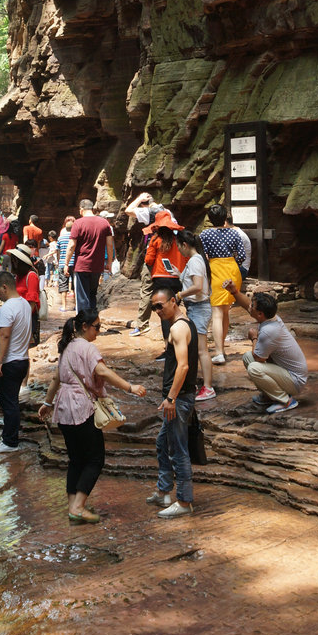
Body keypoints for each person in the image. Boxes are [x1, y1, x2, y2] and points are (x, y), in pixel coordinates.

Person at [38, 311, 146, 522]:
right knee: (95, 459)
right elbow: (103, 372)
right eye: (97, 327)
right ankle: (78, 506)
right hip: (81, 407)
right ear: (85, 326)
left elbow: (56, 378)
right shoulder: (87, 348)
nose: (99, 331)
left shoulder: (67, 347)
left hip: (64, 408)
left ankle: (73, 507)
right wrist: (130, 387)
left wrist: (47, 403)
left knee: (76, 459)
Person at [147, 279, 197, 517]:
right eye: (154, 307)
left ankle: (184, 502)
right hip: (178, 397)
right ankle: (164, 490)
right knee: (162, 443)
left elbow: (184, 366)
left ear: (173, 301)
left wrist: (171, 398)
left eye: (160, 306)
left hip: (179, 398)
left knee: (178, 449)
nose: (157, 311)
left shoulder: (178, 328)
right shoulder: (184, 323)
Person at [224, 282, 308, 413]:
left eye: (253, 306)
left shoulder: (269, 330)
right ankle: (270, 395)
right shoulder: (271, 317)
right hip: (287, 373)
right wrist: (235, 292)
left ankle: (285, 401)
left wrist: (254, 338)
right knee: (247, 357)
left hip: (295, 380)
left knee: (254, 367)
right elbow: (247, 306)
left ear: (260, 314)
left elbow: (259, 358)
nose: (249, 306)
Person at [0, 271, 32, 454]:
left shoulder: (7, 308)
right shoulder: (24, 305)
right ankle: (10, 436)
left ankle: (10, 442)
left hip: (10, 362)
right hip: (22, 360)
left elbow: (4, 335)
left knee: (9, 403)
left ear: (4, 287)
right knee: (12, 401)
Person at [201, 203, 246, 364]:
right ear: (225, 218)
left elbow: (202, 256)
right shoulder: (235, 234)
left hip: (216, 271)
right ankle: (222, 348)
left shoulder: (205, 235)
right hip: (232, 270)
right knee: (225, 311)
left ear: (210, 219)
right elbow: (241, 256)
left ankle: (219, 352)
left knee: (217, 313)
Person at [177, 230, 215, 400]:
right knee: (199, 349)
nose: (179, 250)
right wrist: (179, 276)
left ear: (185, 245)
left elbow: (198, 286)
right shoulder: (198, 259)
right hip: (197, 307)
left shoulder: (194, 261)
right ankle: (204, 384)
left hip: (199, 308)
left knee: (202, 350)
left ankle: (208, 387)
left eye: (179, 247)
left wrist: (179, 295)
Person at [63, 200, 114, 317]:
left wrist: (66, 263)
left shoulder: (78, 223)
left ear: (81, 209)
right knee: (92, 295)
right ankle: (92, 322)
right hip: (97, 266)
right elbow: (110, 245)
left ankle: (83, 324)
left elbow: (71, 246)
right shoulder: (105, 223)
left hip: (82, 265)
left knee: (82, 297)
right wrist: (109, 263)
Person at [145, 213, 186, 352]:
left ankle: (168, 346)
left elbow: (148, 260)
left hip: (160, 279)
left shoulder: (155, 240)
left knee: (163, 314)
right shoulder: (178, 240)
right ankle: (178, 342)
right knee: (175, 311)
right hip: (177, 279)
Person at [124, 192, 162, 337]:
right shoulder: (167, 211)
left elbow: (128, 210)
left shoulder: (149, 212)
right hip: (167, 256)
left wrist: (139, 198)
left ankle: (142, 325)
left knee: (147, 290)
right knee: (167, 287)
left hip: (153, 257)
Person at [8, 243, 41, 346]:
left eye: (14, 259)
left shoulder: (31, 276)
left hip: (28, 319)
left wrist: (23, 320)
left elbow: (32, 302)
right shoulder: (19, 276)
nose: (12, 262)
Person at [55, 216, 75, 312]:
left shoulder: (60, 238)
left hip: (63, 264)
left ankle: (63, 306)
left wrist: (59, 262)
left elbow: (57, 251)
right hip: (75, 263)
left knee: (63, 286)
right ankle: (76, 305)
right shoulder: (75, 238)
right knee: (75, 285)